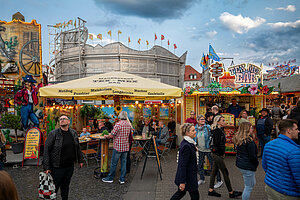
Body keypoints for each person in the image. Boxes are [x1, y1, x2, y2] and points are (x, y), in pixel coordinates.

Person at [43, 115, 84, 200]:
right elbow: (46, 150)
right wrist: (46, 167)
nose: (62, 120)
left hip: (69, 167)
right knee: (54, 188)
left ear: (68, 121)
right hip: (57, 167)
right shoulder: (53, 134)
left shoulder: (73, 132)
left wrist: (80, 159)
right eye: (60, 119)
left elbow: (77, 147)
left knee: (66, 186)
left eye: (64, 119)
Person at [262, 119, 300, 199]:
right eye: (296, 129)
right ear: (289, 131)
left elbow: (265, 166)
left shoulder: (269, 145)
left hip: (271, 187)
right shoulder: (294, 151)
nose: (298, 131)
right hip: (288, 193)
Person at [208, 115, 242, 198]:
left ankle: (211, 190)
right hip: (217, 155)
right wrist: (220, 153)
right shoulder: (217, 131)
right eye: (222, 120)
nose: (224, 122)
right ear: (218, 122)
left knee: (214, 171)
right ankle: (231, 192)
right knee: (225, 172)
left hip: (217, 154)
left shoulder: (220, 130)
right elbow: (217, 144)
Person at [170, 123, 199, 200]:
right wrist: (182, 182)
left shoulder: (189, 143)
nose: (195, 132)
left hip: (188, 176)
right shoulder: (187, 145)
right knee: (195, 196)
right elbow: (183, 165)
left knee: (182, 193)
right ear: (187, 133)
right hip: (188, 177)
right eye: (193, 130)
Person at [102, 111, 132, 184]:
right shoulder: (129, 124)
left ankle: (110, 178)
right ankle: (122, 179)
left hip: (118, 146)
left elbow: (112, 135)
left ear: (120, 116)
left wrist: (106, 136)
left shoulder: (118, 124)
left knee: (114, 163)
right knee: (123, 163)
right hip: (125, 146)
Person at [195, 115, 222, 188]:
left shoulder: (208, 127)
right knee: (200, 165)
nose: (203, 121)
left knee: (213, 165)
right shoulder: (195, 128)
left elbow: (213, 136)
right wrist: (195, 145)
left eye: (204, 119)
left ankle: (219, 180)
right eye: (201, 119)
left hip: (208, 149)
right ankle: (202, 179)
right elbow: (195, 137)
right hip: (200, 149)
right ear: (197, 121)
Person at [233, 122, 258, 200]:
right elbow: (252, 157)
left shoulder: (239, 139)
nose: (252, 129)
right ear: (246, 129)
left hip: (241, 164)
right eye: (251, 128)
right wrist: (256, 163)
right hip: (247, 165)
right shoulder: (249, 142)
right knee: (248, 187)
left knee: (250, 183)